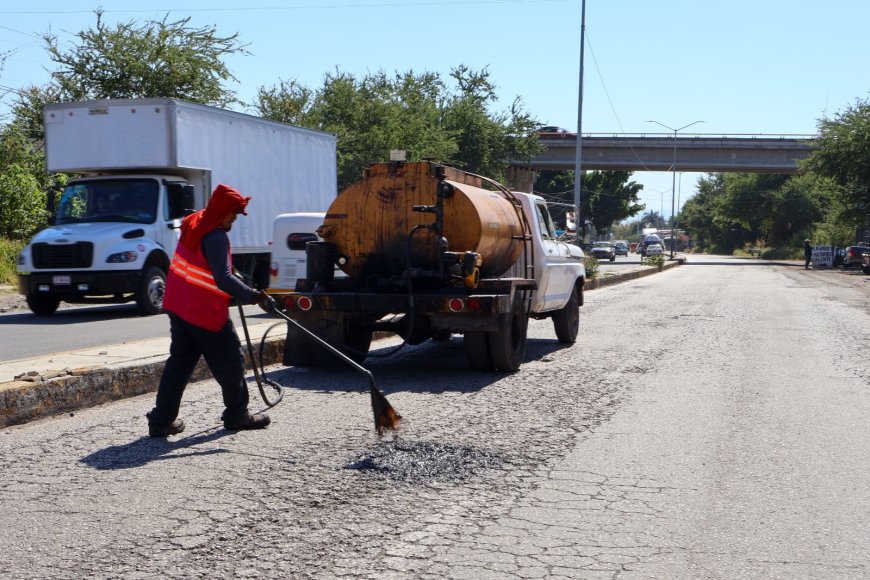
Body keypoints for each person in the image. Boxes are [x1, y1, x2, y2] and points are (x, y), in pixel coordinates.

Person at [146, 184, 275, 437]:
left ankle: (161, 421)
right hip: (203, 312)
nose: (234, 220)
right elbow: (223, 279)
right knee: (231, 362)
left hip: (178, 304)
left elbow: (200, 261)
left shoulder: (195, 221)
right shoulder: (216, 236)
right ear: (223, 211)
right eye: (233, 214)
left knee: (179, 365)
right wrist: (255, 297)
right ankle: (237, 415)